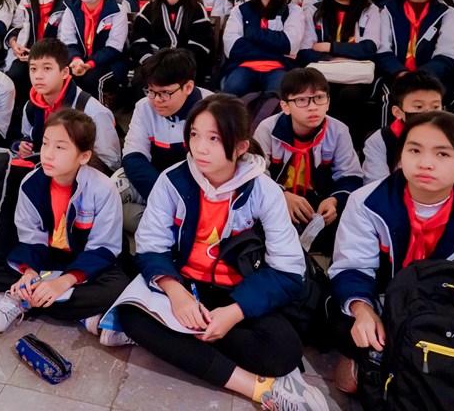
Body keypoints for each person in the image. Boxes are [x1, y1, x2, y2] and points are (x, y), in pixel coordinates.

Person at [117, 94, 328, 410]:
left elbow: (287, 271)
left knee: (283, 351)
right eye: (194, 134)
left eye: (214, 138)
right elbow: (149, 247)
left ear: (240, 146)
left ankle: (180, 338)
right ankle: (258, 388)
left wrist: (234, 312)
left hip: (240, 290)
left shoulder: (264, 190)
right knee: (131, 317)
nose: (200, 148)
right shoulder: (172, 181)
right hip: (186, 284)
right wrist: (176, 293)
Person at [329, 111, 454, 395]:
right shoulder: (368, 202)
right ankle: (363, 356)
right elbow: (353, 266)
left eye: (443, 154)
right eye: (414, 150)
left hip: (446, 313)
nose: (425, 163)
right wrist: (363, 311)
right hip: (381, 304)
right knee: (339, 319)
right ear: (400, 157)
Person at [0, 109, 129, 340]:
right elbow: (31, 236)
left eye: (60, 147)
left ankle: (22, 299)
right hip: (47, 259)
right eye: (45, 144)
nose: (48, 154)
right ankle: (73, 309)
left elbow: (103, 246)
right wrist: (29, 272)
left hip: (85, 260)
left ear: (84, 156)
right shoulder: (31, 183)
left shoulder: (102, 188)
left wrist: (64, 281)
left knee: (117, 284)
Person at [254, 69, 363, 254]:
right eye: (302, 100)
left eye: (319, 98)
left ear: (328, 102)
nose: (312, 107)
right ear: (285, 106)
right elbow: (256, 174)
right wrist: (281, 196)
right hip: (278, 197)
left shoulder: (338, 131)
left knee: (349, 221)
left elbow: (350, 175)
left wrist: (334, 200)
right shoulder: (267, 129)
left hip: (320, 200)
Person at [119, 48, 212, 234]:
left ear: (188, 87)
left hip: (199, 189)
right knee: (107, 200)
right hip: (156, 184)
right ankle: (176, 228)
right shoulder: (144, 107)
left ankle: (170, 228)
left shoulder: (213, 110)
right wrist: (164, 198)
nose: (156, 100)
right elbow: (133, 157)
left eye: (164, 93)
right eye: (150, 91)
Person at [298, 0, 383, 146]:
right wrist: (342, 57)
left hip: (356, 77)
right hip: (323, 74)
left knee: (350, 95)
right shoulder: (315, 10)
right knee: (321, 94)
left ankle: (348, 147)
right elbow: (305, 51)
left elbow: (368, 49)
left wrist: (329, 48)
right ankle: (318, 144)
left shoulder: (370, 11)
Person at [17, 38, 121, 172]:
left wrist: (69, 165)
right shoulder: (31, 106)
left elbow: (111, 163)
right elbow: (27, 136)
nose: (38, 76)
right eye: (33, 69)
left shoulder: (92, 111)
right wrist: (24, 146)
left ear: (65, 72)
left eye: (47, 68)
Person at [222, 0, 305, 96]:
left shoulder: (293, 11)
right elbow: (232, 47)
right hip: (244, 65)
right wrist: (276, 50)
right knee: (233, 89)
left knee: (277, 94)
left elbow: (290, 44)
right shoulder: (240, 10)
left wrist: (251, 34)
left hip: (279, 68)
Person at [374, 0, 454, 88]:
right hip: (394, 77)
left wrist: (420, 77)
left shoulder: (448, 14)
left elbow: (447, 54)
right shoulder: (388, 11)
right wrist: (400, 73)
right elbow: (382, 49)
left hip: (432, 80)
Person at [129, 0, 215, 83]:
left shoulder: (196, 9)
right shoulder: (149, 8)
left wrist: (175, 64)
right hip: (153, 64)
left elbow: (200, 45)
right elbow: (137, 41)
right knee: (141, 79)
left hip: (185, 67)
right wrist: (151, 61)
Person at [5, 0, 68, 114]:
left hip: (52, 57)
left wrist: (37, 57)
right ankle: (19, 115)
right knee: (14, 75)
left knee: (44, 78)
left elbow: (65, 40)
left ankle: (44, 113)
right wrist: (14, 43)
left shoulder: (65, 4)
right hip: (26, 54)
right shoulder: (27, 0)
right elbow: (16, 25)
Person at [59, 0, 129, 100]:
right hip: (79, 61)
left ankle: (96, 114)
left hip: (110, 63)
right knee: (62, 77)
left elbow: (114, 47)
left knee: (91, 79)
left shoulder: (117, 10)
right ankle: (66, 113)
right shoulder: (71, 10)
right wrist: (76, 59)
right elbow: (68, 42)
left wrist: (89, 64)